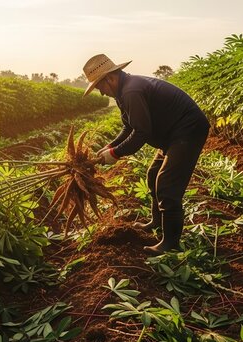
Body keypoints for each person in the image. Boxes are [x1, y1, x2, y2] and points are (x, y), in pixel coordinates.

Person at [82, 53, 210, 255]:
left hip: (187, 130)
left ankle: (170, 243)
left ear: (110, 78)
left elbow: (142, 133)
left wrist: (115, 154)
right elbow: (128, 127)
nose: (102, 93)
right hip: (172, 134)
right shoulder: (123, 91)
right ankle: (157, 221)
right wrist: (109, 147)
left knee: (167, 184)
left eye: (100, 87)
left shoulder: (131, 90)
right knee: (153, 175)